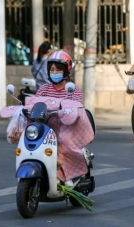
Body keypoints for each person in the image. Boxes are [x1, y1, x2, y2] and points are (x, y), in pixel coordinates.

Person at [35, 50, 90, 187]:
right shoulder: (43, 89)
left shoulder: (73, 90)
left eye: (58, 69)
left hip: (68, 127)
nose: (54, 72)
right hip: (47, 125)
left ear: (67, 70)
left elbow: (77, 108)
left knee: (62, 139)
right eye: (51, 69)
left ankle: (68, 174)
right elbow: (34, 105)